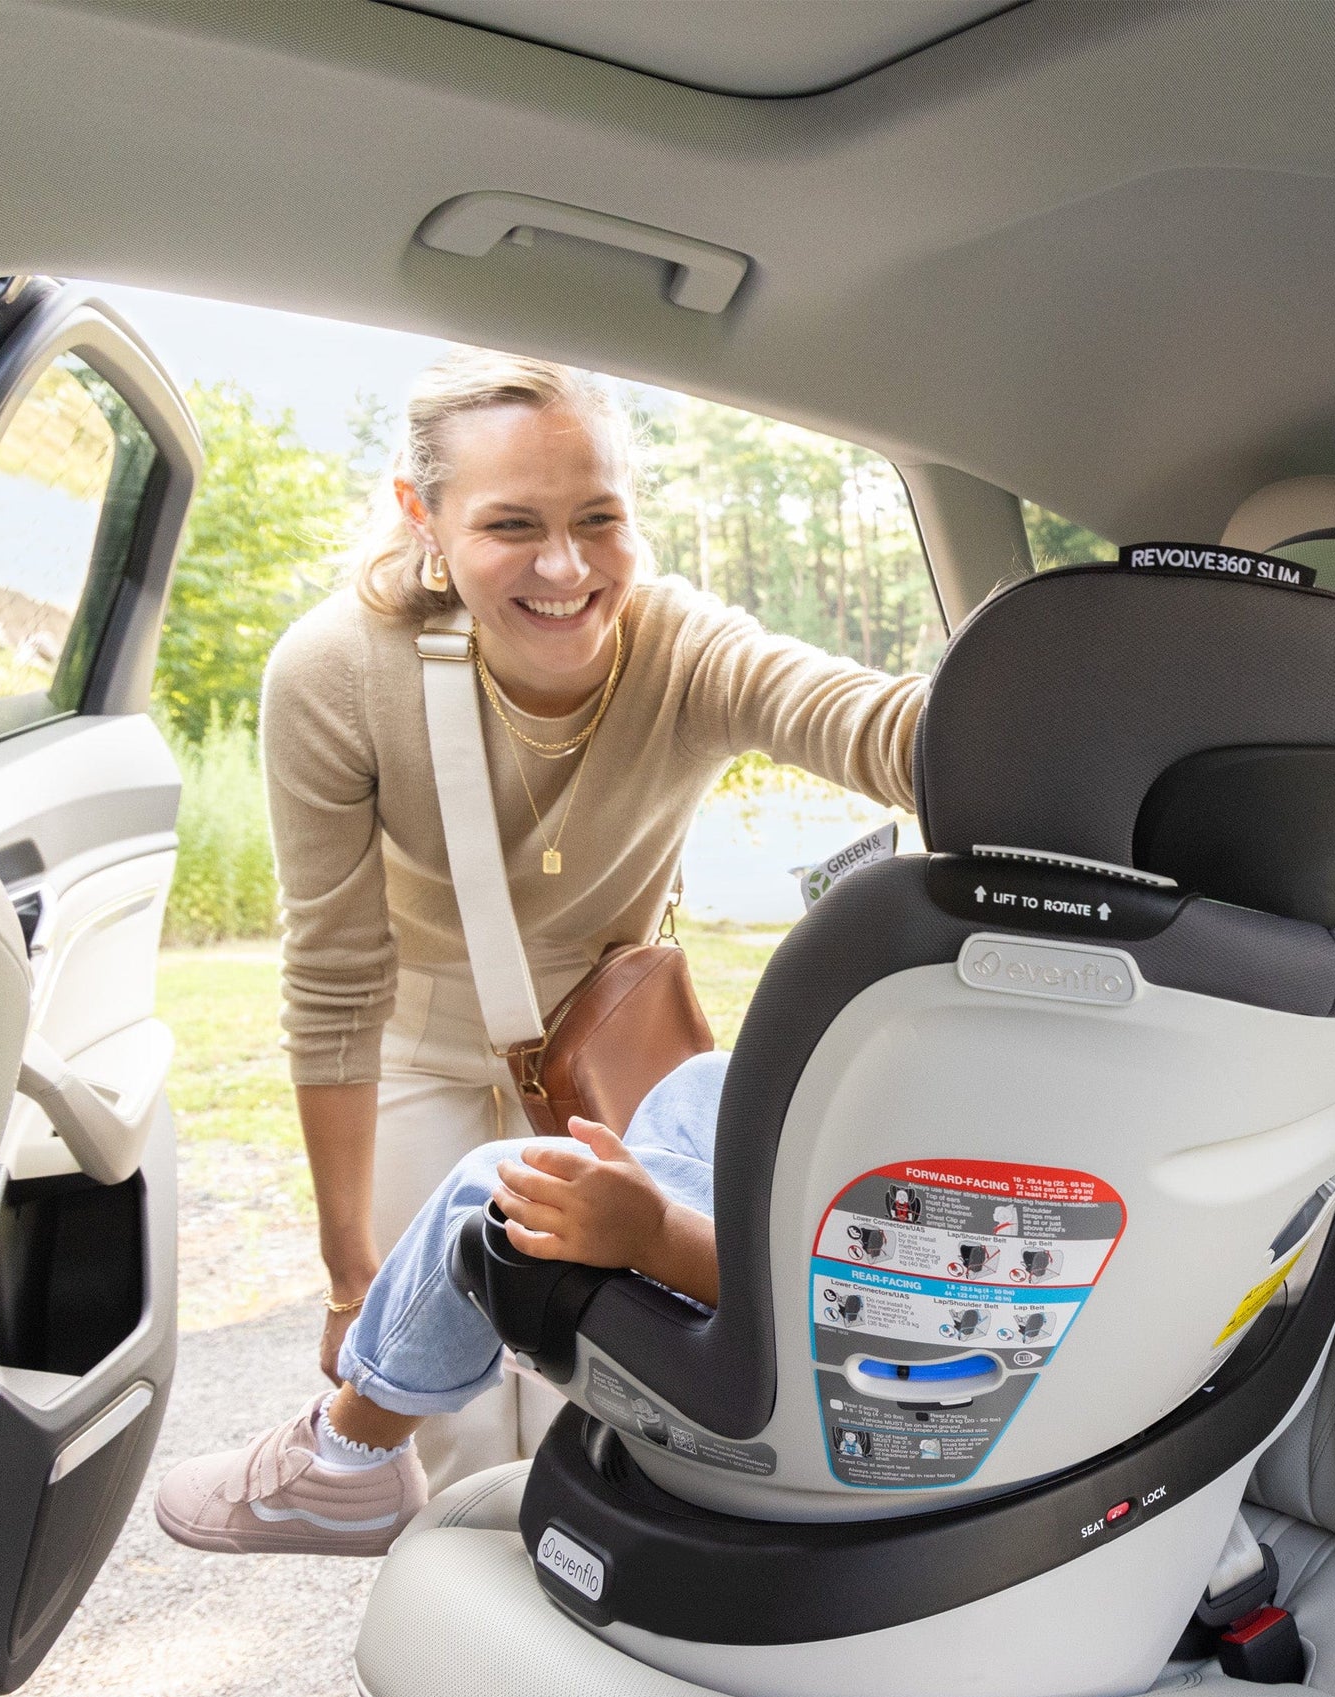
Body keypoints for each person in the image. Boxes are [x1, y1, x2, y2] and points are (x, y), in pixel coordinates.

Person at [156, 347, 923, 1553]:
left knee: (607, 1375)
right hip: (414, 1042)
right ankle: (456, 1629)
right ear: (422, 515)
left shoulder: (682, 647)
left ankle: (586, 1614)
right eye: (512, 524)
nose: (565, 568)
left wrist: (1035, 721)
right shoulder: (335, 670)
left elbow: (871, 727)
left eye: (597, 519)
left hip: (603, 1047)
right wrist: (349, 1271)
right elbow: (335, 982)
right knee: (442, 1413)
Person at [155, 1054, 726, 1555]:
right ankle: (634, 1312)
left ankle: (350, 1456)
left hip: (765, 1332)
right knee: (704, 1084)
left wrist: (656, 1235)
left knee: (500, 1185)